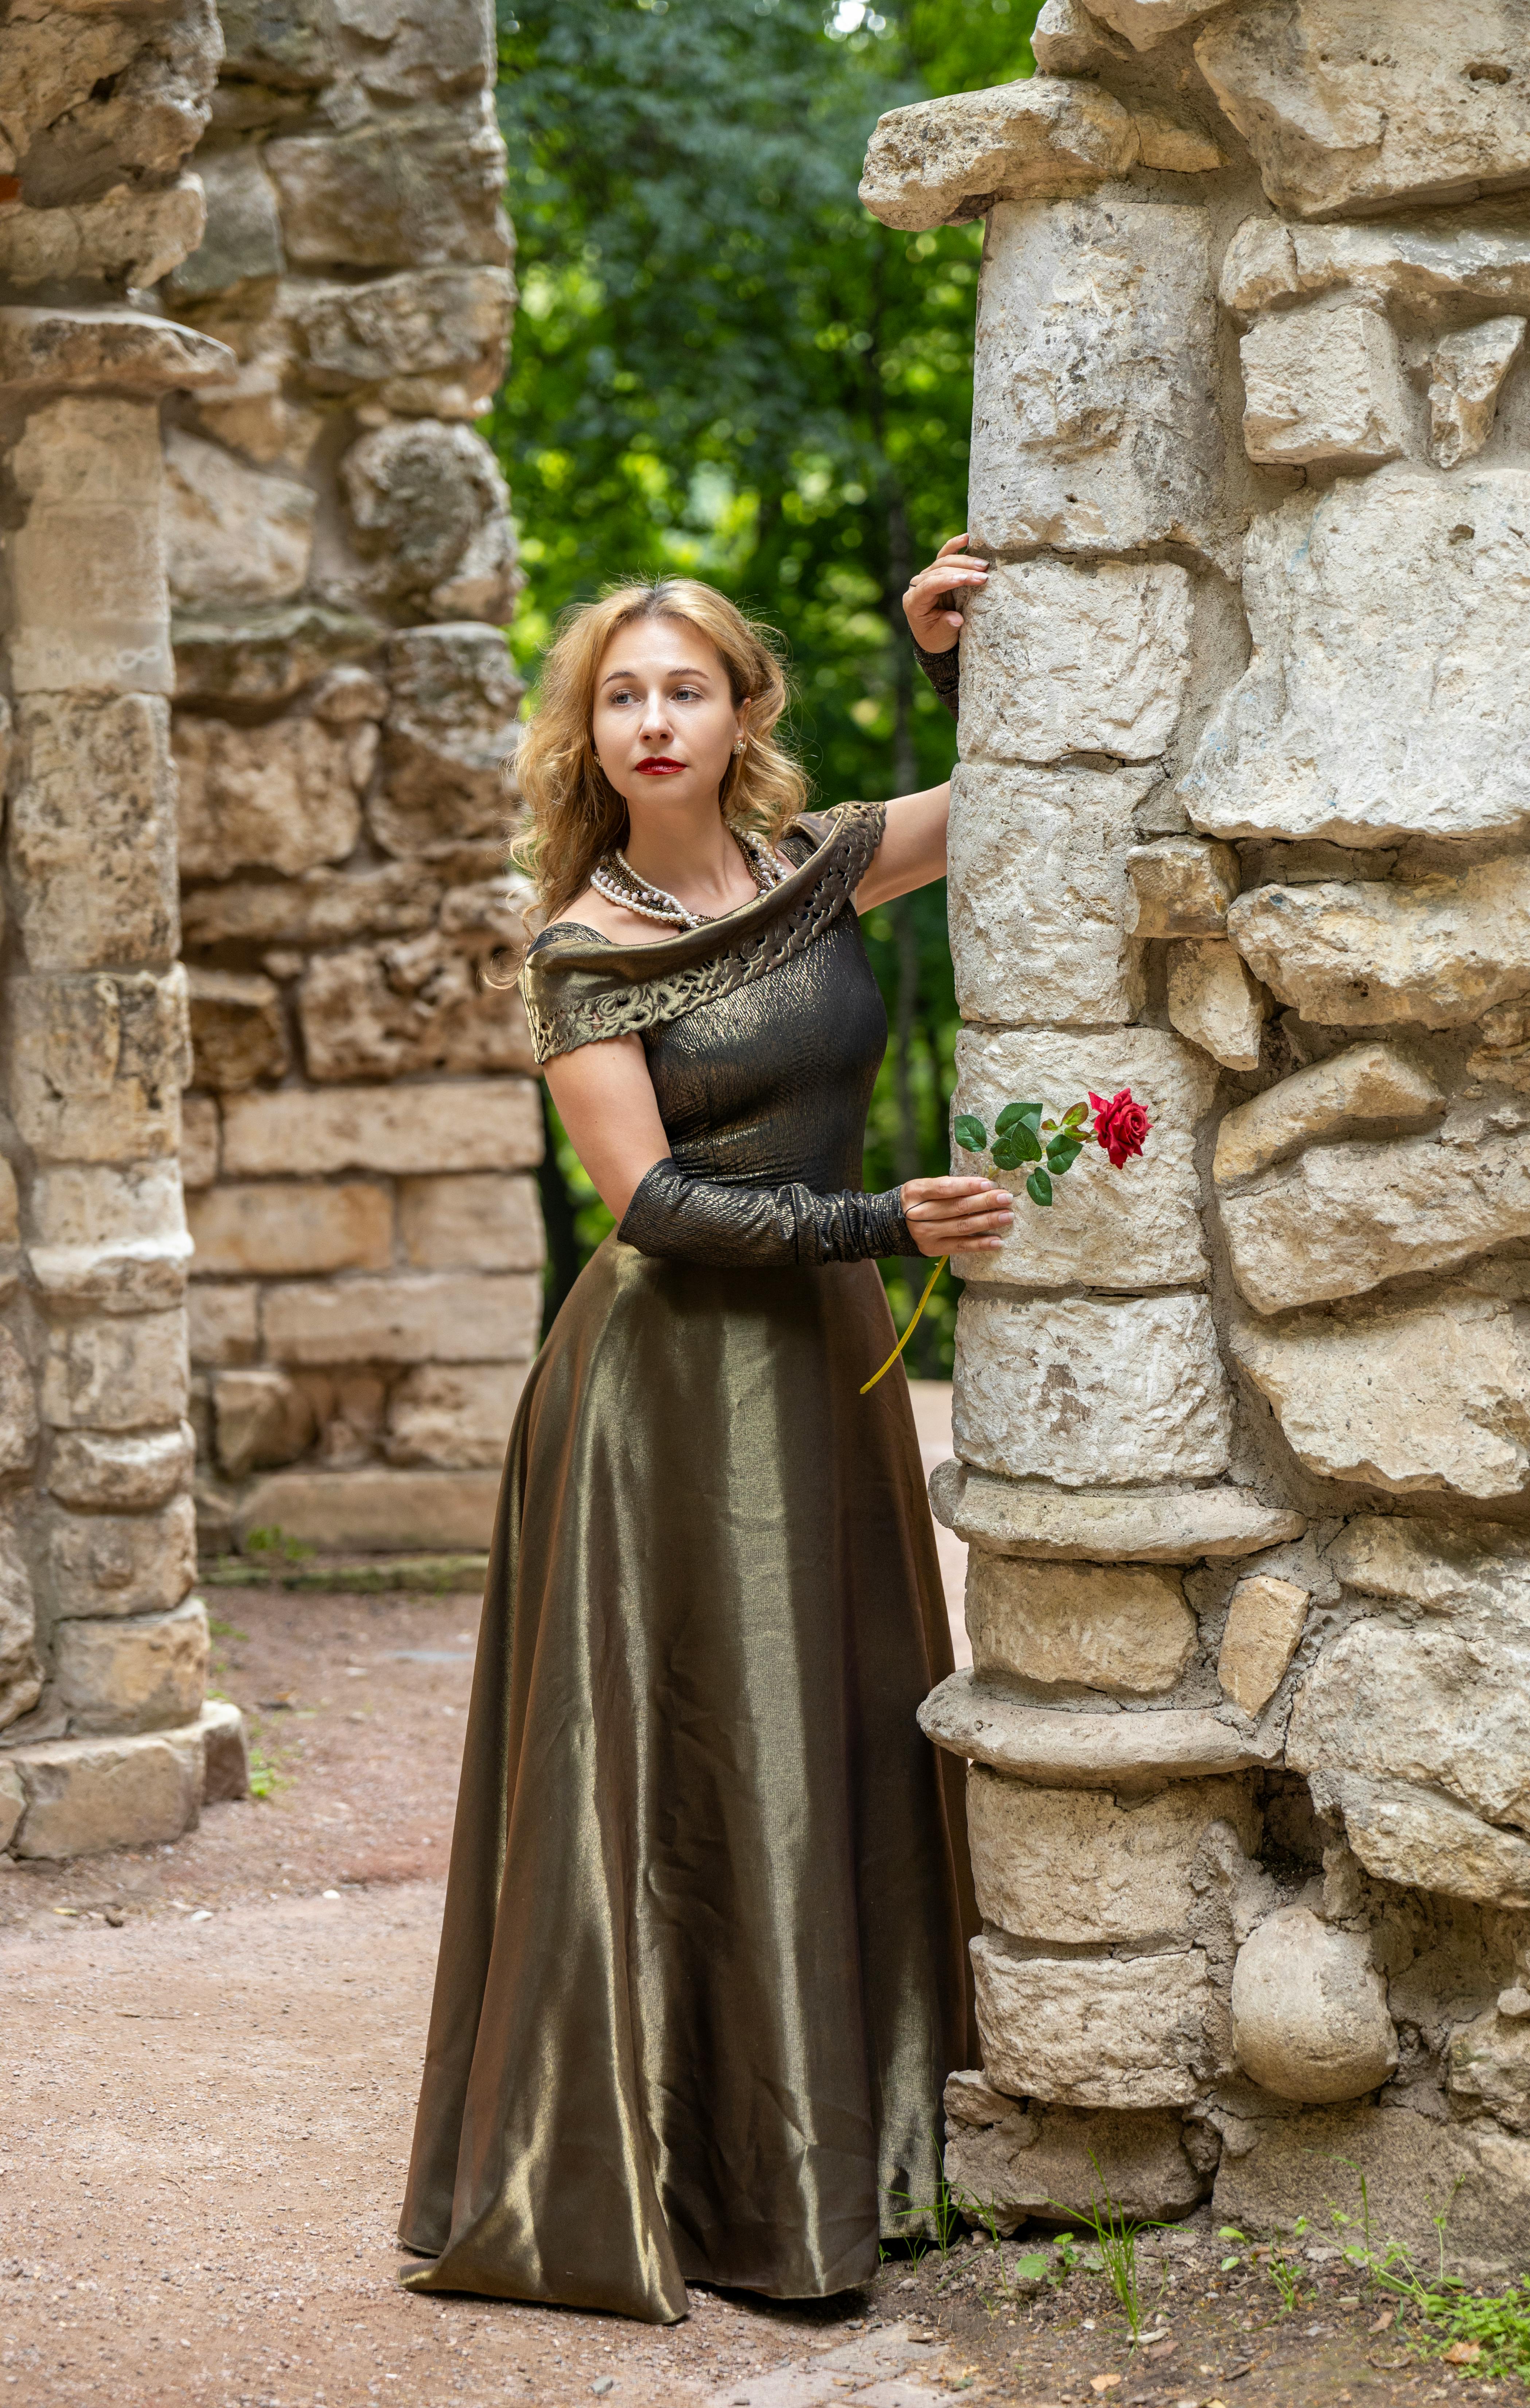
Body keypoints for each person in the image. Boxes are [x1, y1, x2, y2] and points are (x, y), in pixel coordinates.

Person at [397, 536, 1001, 2323]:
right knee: (698, 1753)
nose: (653, 718)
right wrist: (883, 1226)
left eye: (685, 687)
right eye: (621, 694)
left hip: (815, 1363)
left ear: (744, 715)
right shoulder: (581, 948)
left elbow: (995, 806)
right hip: (664, 1391)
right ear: (589, 738)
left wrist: (952, 652)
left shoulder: (821, 873)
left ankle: (864, 2157)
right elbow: (649, 1204)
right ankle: (712, 2185)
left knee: (830, 1727)